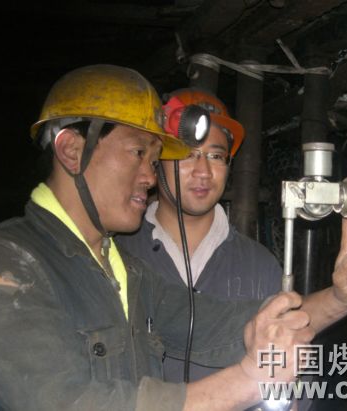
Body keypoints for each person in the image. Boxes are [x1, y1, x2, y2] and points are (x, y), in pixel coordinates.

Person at [0, 64, 347, 411]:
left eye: (153, 159)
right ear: (73, 151)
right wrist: (247, 381)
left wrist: (344, 298)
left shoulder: (125, 273)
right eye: (138, 154)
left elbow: (226, 324)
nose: (150, 177)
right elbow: (72, 403)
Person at [116, 88, 282, 385]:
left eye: (216, 156)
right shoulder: (116, 253)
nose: (203, 171)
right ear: (156, 162)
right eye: (188, 155)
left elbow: (291, 374)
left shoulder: (261, 266)